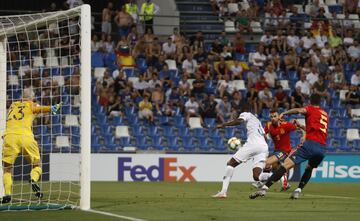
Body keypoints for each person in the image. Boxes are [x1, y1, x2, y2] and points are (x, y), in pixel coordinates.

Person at [250, 93, 329, 200]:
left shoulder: (310, 109)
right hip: (322, 148)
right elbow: (314, 128)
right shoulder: (325, 114)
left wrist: (285, 112)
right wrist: (301, 126)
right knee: (309, 168)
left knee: (285, 165)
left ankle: (264, 189)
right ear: (320, 102)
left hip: (310, 144)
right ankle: (298, 190)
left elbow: (299, 110)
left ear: (310, 101)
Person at [1, 88, 62, 203]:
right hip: (26, 137)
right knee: (37, 165)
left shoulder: (13, 105)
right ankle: (33, 179)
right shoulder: (31, 104)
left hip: (9, 137)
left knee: (7, 169)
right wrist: (52, 108)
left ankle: (7, 194)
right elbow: (38, 108)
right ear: (32, 97)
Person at [212, 105, 268, 198]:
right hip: (263, 147)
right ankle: (279, 176)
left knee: (230, 164)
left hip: (253, 144)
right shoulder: (257, 121)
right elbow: (265, 136)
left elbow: (239, 121)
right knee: (257, 176)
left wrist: (223, 125)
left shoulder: (246, 114)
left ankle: (223, 192)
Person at [254, 109, 305, 191]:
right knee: (275, 168)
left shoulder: (286, 125)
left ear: (278, 117)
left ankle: (260, 182)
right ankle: (285, 184)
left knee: (267, 163)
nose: (273, 118)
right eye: (271, 117)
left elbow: (300, 127)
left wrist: (303, 135)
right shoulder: (268, 125)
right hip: (276, 151)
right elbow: (262, 134)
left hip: (285, 151)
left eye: (275, 116)